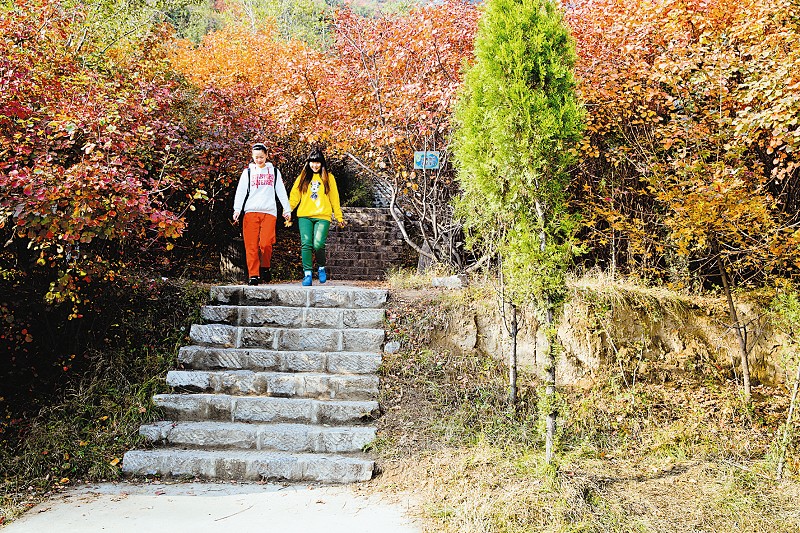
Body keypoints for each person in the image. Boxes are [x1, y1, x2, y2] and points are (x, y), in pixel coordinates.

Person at [233, 143, 291, 285]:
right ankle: (254, 275)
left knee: (265, 243)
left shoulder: (274, 172)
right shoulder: (248, 172)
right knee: (251, 245)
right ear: (252, 157)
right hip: (251, 212)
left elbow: (281, 191)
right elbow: (241, 191)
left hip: (269, 212)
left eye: (261, 157)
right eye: (256, 157)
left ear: (266, 156)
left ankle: (265, 267)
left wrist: (287, 209)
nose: (259, 160)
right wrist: (237, 209)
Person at [289, 148, 344, 286]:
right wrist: (288, 210)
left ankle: (320, 267)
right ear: (308, 163)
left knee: (318, 244)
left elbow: (334, 198)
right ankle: (307, 273)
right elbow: (295, 196)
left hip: (323, 215)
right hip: (305, 215)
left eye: (318, 162)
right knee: (306, 244)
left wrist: (339, 216)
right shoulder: (302, 177)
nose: (315, 165)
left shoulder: (329, 177)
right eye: (312, 162)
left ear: (322, 163)